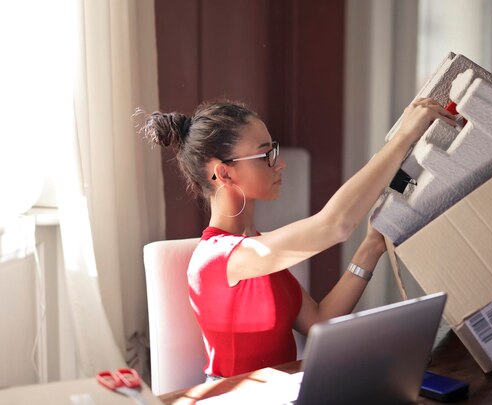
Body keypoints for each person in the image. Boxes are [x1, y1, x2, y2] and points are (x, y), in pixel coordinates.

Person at [142, 98, 456, 379]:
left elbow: (319, 321)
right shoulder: (220, 257)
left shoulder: (257, 248)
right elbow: (334, 225)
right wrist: (403, 138)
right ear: (224, 174)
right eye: (266, 154)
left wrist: (371, 247)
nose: (280, 163)